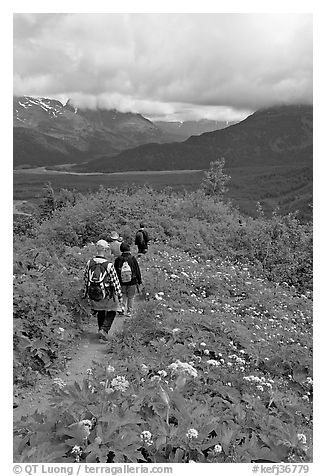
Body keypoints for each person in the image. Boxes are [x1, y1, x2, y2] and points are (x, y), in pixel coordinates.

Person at [84, 239, 123, 340]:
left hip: (93, 292)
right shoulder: (109, 265)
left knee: (100, 311)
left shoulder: (90, 263)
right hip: (106, 293)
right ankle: (104, 329)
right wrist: (120, 297)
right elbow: (115, 282)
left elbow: (85, 278)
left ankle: (100, 329)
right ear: (106, 250)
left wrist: (86, 293)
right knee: (112, 310)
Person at [114, 242, 142, 317]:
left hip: (121, 282)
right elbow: (137, 270)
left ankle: (122, 308)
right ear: (129, 249)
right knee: (131, 296)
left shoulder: (118, 260)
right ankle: (129, 311)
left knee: (123, 295)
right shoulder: (132, 259)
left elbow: (115, 271)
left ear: (121, 249)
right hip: (132, 281)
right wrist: (139, 280)